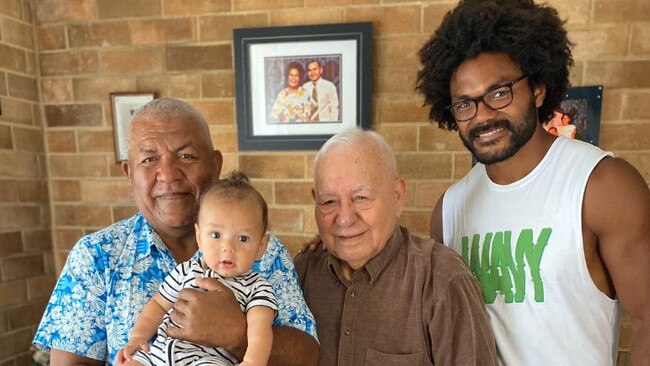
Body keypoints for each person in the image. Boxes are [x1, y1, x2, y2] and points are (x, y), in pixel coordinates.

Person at [416, 0, 650, 364]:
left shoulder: (601, 185)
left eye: (499, 92)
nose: (483, 116)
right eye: (465, 104)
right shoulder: (449, 208)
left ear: (538, 89)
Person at [33, 98, 318, 365]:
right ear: (129, 172)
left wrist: (237, 334)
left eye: (186, 155)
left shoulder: (263, 252)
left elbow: (307, 354)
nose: (168, 174)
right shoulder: (96, 256)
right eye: (148, 160)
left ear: (216, 164)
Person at [294, 128, 497, 365]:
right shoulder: (301, 272)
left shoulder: (441, 281)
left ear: (397, 196)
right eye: (329, 201)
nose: (344, 219)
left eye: (361, 198)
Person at [117, 172, 277, 366]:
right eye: (216, 235)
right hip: (160, 352)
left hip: (207, 360)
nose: (227, 248)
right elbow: (159, 305)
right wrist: (138, 336)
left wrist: (252, 362)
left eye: (242, 238)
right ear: (199, 237)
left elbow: (260, 328)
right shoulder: (187, 271)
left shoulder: (257, 287)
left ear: (261, 246)